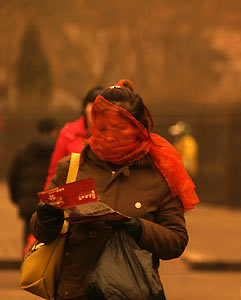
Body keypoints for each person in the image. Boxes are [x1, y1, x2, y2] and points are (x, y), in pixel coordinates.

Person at [31, 79, 199, 300]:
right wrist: (46, 217)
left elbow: (176, 241)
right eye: (102, 128)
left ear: (139, 128)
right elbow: (40, 231)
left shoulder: (159, 175)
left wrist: (139, 229)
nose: (110, 136)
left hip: (133, 290)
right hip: (76, 292)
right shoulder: (72, 166)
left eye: (119, 128)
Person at [8, 118, 57, 249]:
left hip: (28, 201)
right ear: (54, 132)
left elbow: (13, 175)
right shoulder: (57, 150)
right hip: (49, 201)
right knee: (49, 238)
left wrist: (16, 198)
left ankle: (27, 264)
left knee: (28, 236)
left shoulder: (24, 150)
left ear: (36, 131)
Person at [44, 86, 103, 189]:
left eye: (101, 105)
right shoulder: (69, 133)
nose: (95, 109)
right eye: (92, 104)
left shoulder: (113, 136)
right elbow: (54, 173)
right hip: (75, 196)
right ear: (85, 108)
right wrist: (47, 200)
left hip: (103, 195)